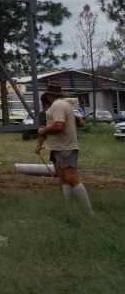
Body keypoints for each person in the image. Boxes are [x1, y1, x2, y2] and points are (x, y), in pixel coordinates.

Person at [35, 82, 93, 214]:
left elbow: (59, 126)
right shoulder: (64, 105)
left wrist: (43, 131)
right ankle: (69, 210)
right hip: (60, 147)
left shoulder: (57, 106)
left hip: (65, 147)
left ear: (49, 95)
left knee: (71, 178)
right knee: (64, 180)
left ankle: (89, 213)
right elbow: (79, 123)